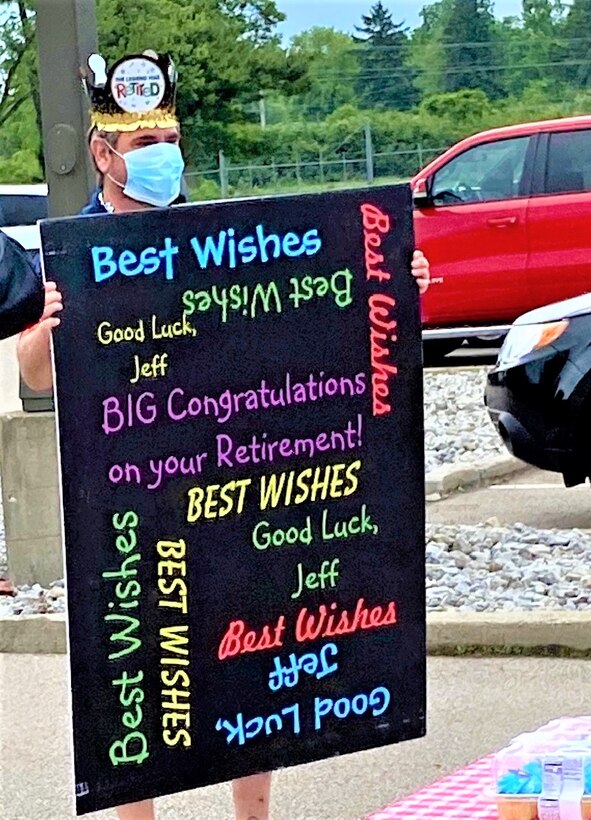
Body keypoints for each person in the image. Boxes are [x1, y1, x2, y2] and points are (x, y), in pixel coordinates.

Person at [17, 50, 430, 820]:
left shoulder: (219, 238)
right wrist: (43, 323)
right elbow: (36, 377)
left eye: (170, 137)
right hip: (130, 499)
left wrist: (398, 283)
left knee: (250, 660)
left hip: (236, 486)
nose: (162, 154)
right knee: (139, 679)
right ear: (103, 153)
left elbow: (320, 317)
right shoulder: (73, 250)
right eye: (144, 144)